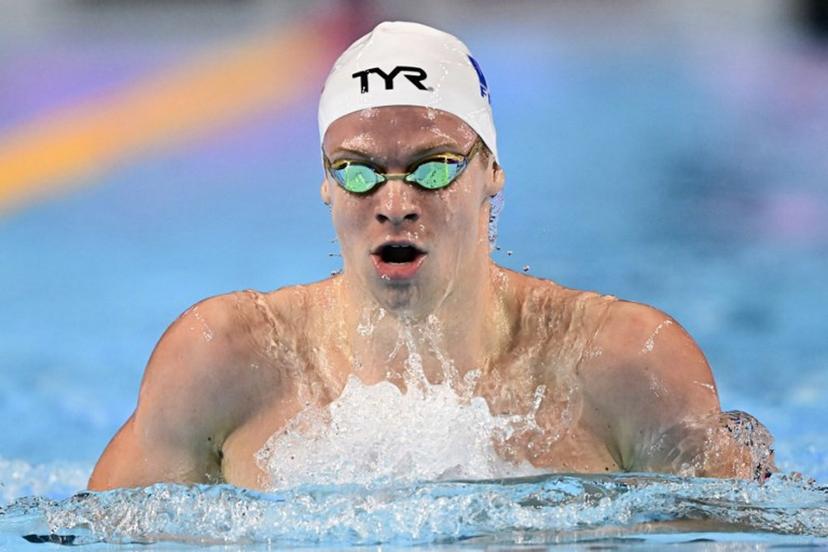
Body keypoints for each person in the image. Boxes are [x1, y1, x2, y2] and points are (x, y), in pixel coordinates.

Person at [88, 21, 774, 491]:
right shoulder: (224, 361)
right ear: (326, 183)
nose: (394, 201)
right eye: (358, 171)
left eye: (434, 166)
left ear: (492, 171)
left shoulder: (624, 363)